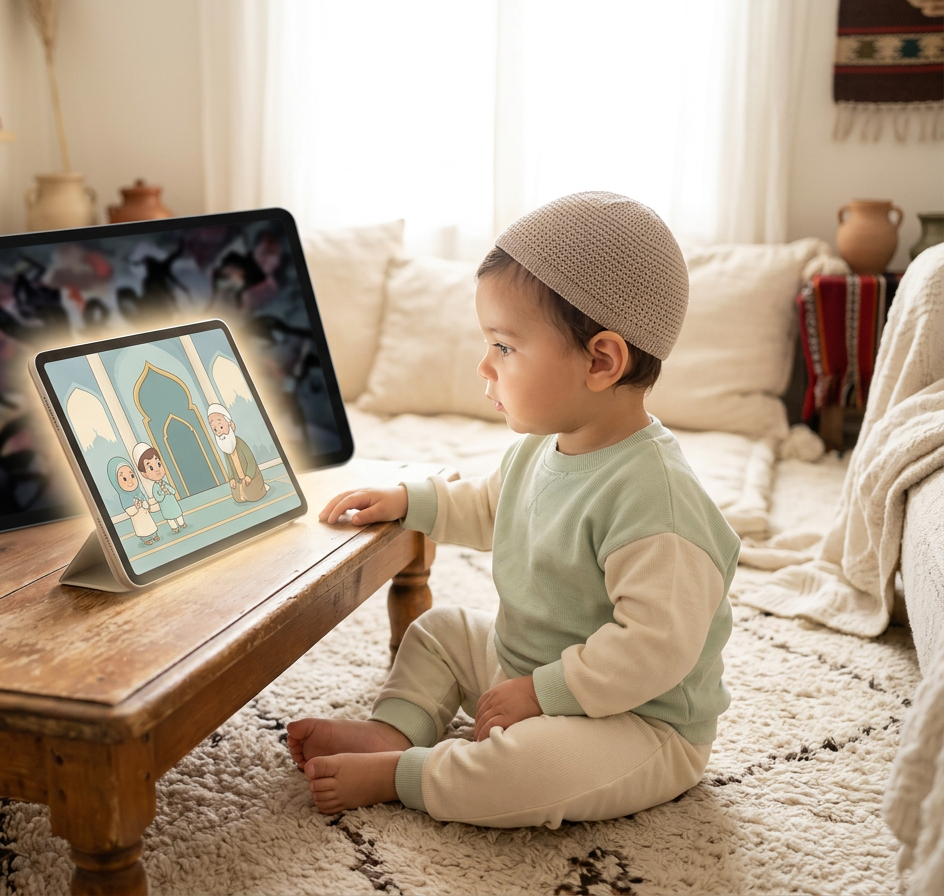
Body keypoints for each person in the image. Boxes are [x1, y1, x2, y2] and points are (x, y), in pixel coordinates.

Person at [288, 192, 740, 829]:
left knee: (527, 773)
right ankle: (394, 732)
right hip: (529, 666)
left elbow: (651, 651)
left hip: (638, 720)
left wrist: (540, 694)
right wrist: (412, 499)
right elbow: (491, 507)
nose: (484, 365)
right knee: (439, 631)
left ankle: (403, 775)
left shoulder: (656, 499)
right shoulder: (541, 449)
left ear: (601, 361)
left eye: (504, 346)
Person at [207, 404, 266, 502]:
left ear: (231, 425)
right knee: (238, 498)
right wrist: (232, 478)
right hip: (239, 479)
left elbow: (251, 461)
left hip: (251, 476)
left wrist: (249, 476)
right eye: (215, 429)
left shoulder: (239, 443)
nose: (219, 433)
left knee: (253, 495)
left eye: (221, 427)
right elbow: (230, 466)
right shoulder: (225, 447)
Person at [108, 456, 159, 548]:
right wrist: (136, 506)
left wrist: (144, 504)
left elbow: (145, 502)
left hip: (144, 513)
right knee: (142, 528)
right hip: (137, 516)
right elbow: (130, 511)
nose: (130, 481)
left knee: (149, 524)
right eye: (124, 479)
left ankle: (154, 535)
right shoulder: (124, 496)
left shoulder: (138, 491)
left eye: (132, 476)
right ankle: (146, 539)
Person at [135, 443, 187, 532]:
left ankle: (182, 523)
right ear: (144, 474)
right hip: (165, 506)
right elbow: (158, 497)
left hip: (172, 502)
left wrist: (170, 490)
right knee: (170, 517)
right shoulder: (155, 487)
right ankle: (174, 527)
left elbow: (173, 491)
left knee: (178, 513)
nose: (157, 469)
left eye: (158, 464)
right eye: (151, 468)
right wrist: (162, 493)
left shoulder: (165, 483)